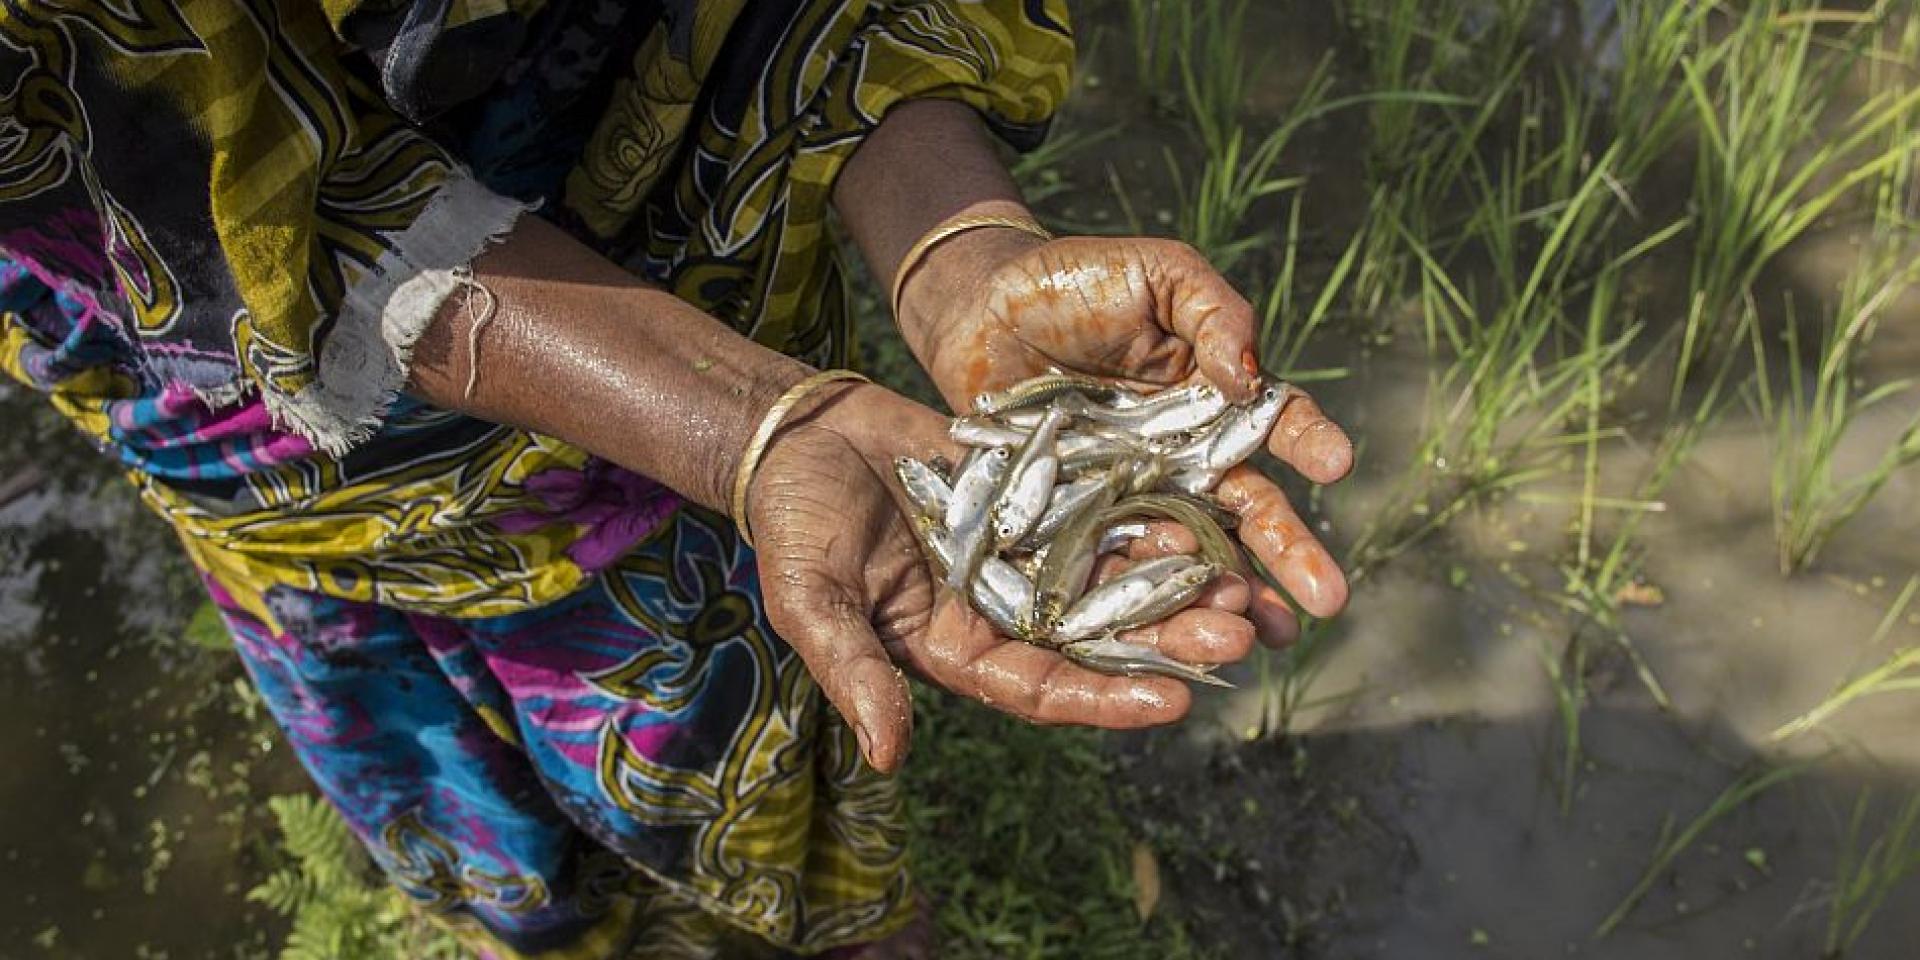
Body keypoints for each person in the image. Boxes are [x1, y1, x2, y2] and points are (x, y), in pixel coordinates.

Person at [0, 1, 1353, 956]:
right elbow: (209, 197)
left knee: (723, 705)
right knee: (431, 754)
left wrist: (958, 248)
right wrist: (755, 427)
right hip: (249, 417)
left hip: (695, 325)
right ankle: (532, 925)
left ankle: (832, 926)